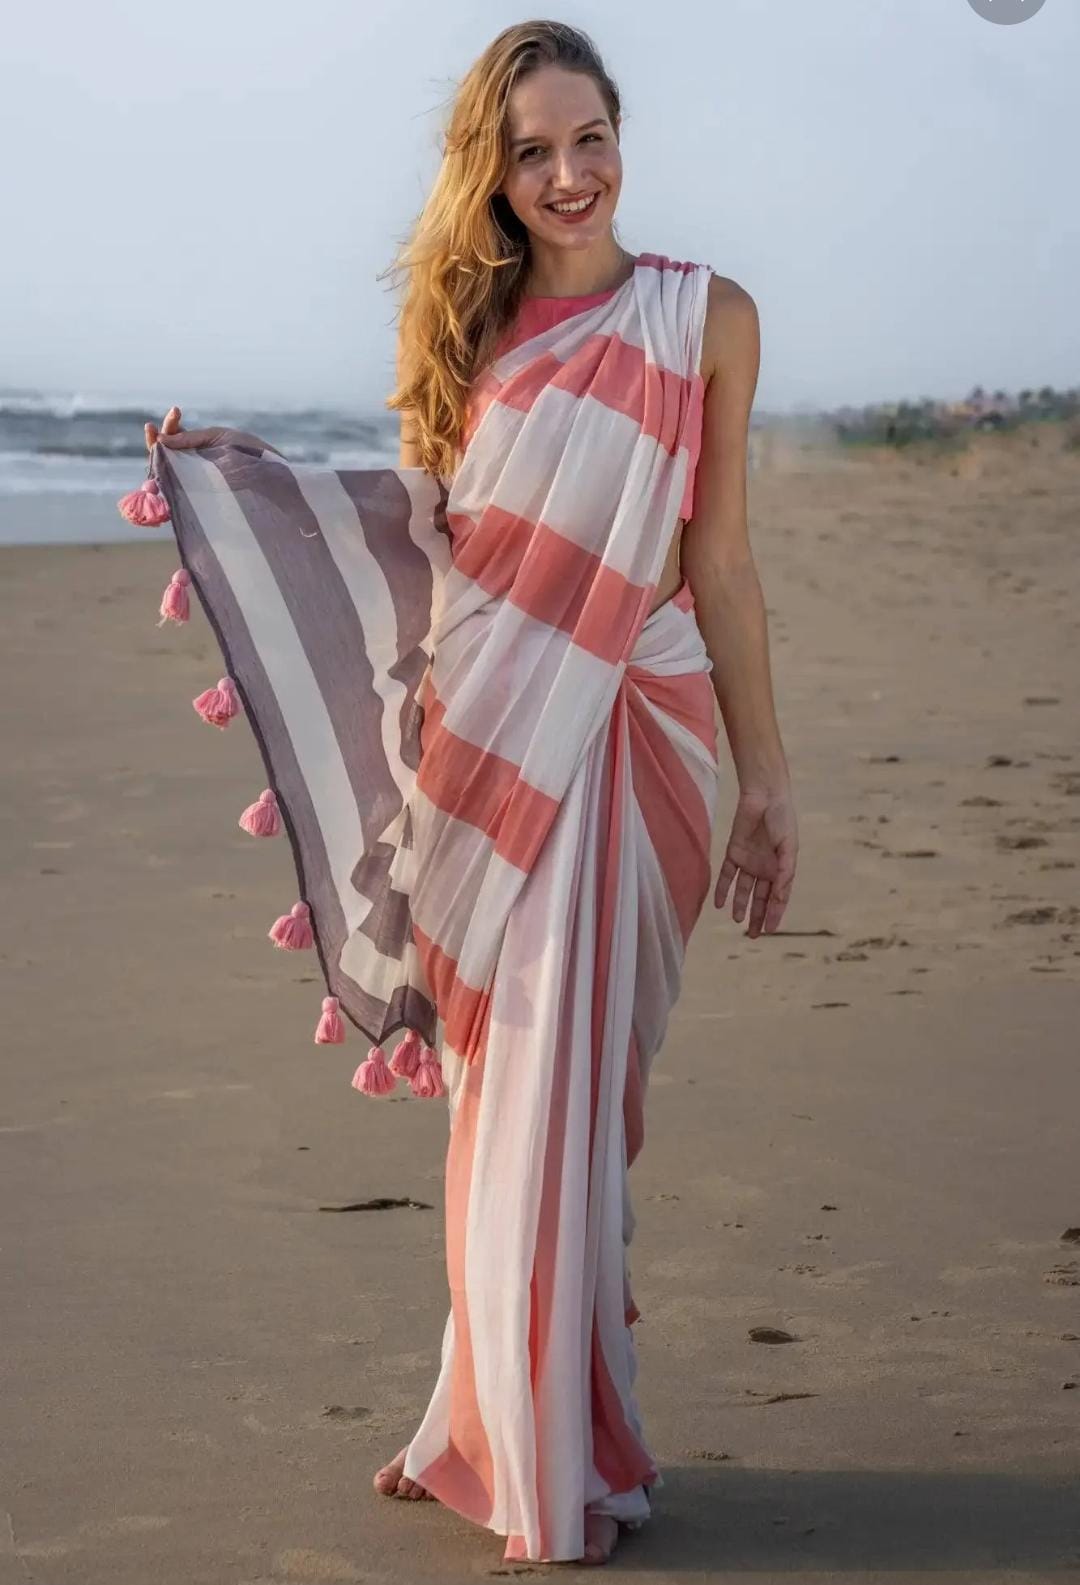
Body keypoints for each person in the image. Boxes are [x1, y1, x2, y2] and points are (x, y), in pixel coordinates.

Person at [144, 20, 797, 1568]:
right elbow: (418, 534)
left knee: (582, 1108)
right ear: (492, 175)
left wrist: (769, 775)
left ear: (623, 136)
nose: (569, 175)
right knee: (511, 1103)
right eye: (532, 152)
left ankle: (538, 1429)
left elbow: (719, 558)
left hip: (641, 730)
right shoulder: (466, 330)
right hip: (489, 746)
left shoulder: (706, 317)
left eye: (589, 139)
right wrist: (237, 482)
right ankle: (492, 1419)